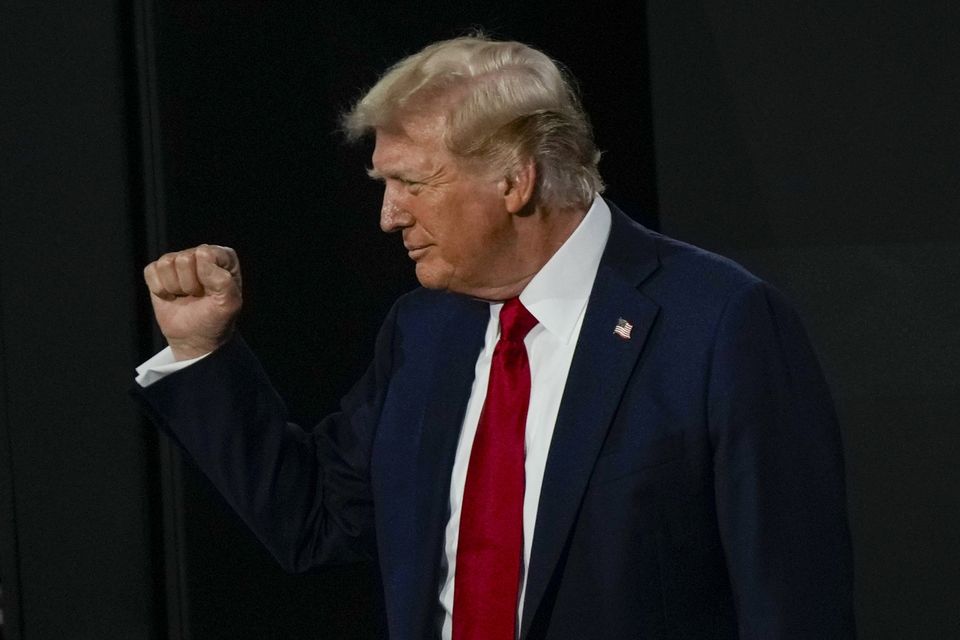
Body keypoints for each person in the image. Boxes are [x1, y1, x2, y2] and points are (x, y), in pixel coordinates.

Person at [134, 35, 855, 639]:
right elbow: (316, 519)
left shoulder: (719, 324)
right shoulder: (425, 329)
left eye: (412, 183)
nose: (389, 216)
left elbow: (791, 604)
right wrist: (204, 352)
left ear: (515, 181)